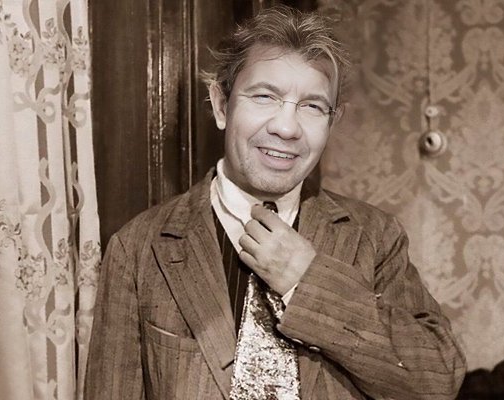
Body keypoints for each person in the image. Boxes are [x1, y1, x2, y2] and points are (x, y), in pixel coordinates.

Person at [84, 5, 466, 400]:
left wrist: (309, 284)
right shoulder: (138, 249)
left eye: (312, 106)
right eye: (264, 96)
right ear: (221, 105)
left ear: (332, 122)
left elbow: (437, 381)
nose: (286, 128)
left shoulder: (374, 237)